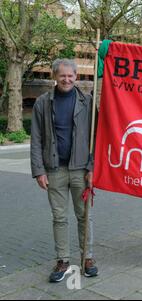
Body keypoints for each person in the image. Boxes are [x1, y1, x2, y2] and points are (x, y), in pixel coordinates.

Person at [31, 59, 98, 282]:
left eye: (70, 76)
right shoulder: (43, 102)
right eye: (62, 76)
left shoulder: (87, 102)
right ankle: (63, 260)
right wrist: (39, 170)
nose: (66, 79)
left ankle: (87, 257)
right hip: (54, 169)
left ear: (76, 77)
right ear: (54, 77)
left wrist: (92, 167)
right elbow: (36, 138)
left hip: (81, 170)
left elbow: (97, 137)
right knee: (59, 217)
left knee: (84, 216)